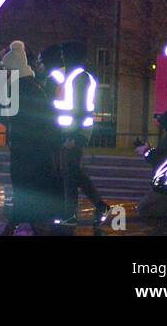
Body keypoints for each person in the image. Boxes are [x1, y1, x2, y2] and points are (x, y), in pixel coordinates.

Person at [0, 41, 58, 234]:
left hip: (25, 147)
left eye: (6, 68)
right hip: (36, 147)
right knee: (29, 188)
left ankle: (18, 226)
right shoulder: (33, 86)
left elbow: (7, 116)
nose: (4, 72)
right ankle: (29, 225)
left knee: (23, 187)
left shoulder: (17, 88)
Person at [51, 40, 107, 225]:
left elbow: (81, 110)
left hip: (75, 133)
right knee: (74, 172)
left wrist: (73, 137)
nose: (62, 58)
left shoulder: (79, 78)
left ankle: (71, 214)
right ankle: (99, 205)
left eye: (64, 54)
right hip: (70, 132)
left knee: (70, 173)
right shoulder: (73, 77)